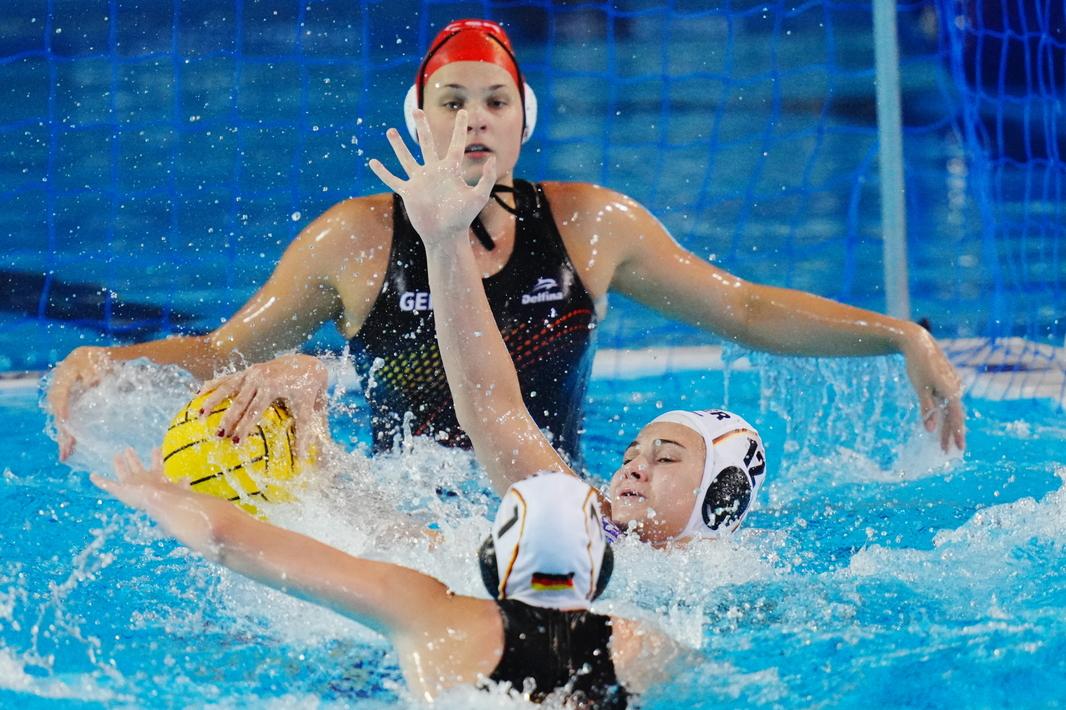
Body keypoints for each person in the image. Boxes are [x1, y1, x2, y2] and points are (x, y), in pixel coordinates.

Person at [47, 18, 965, 466]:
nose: (475, 120)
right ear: (423, 121)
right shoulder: (354, 240)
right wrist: (106, 361)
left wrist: (900, 336)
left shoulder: (592, 225)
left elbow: (746, 308)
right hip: (410, 522)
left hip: (551, 508)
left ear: (524, 120)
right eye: (453, 103)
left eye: (495, 102)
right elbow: (223, 352)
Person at [371, 105, 765, 546]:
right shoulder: (589, 525)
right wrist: (445, 242)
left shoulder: (615, 549)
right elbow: (491, 410)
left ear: (721, 499)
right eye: (630, 457)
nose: (634, 469)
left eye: (666, 459)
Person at [93, 451, 686, 706]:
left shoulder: (431, 612)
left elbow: (227, 539)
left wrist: (155, 494)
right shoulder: (643, 646)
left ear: (492, 557)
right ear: (600, 570)